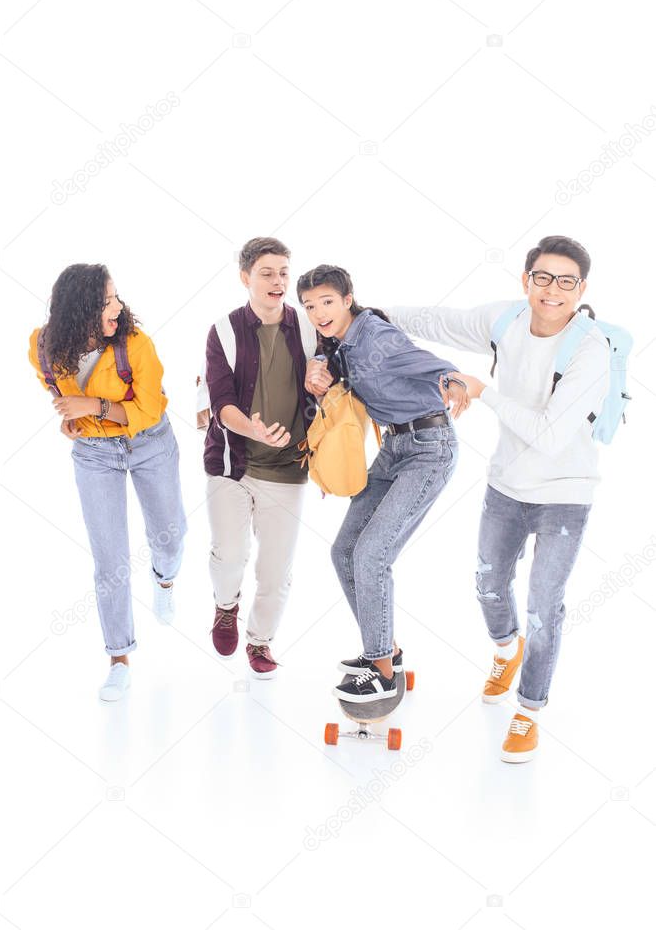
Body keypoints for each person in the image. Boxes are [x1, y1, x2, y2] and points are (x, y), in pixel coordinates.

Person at [386, 235, 611, 762]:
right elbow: (441, 321)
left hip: (565, 494)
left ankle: (528, 711)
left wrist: (482, 391)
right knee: (488, 584)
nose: (552, 290)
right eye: (542, 277)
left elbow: (550, 435)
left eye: (566, 281)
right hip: (506, 484)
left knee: (542, 608)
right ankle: (506, 654)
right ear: (526, 279)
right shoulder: (507, 320)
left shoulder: (590, 349)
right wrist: (370, 313)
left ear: (581, 289)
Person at [298, 265, 468, 706]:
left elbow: (432, 365)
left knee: (372, 553)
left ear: (348, 298)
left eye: (327, 302)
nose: (319, 313)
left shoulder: (375, 337)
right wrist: (319, 367)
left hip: (429, 448)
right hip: (394, 448)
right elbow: (329, 360)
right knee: (343, 552)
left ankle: (380, 670)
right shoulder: (339, 341)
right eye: (310, 306)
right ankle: (386, 651)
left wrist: (452, 379)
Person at [29, 264, 186, 702]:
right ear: (78, 312)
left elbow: (148, 410)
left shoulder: (135, 344)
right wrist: (73, 420)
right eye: (105, 302)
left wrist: (92, 405)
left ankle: (165, 579)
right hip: (95, 454)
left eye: (116, 297)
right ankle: (118, 659)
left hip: (148, 442)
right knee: (109, 560)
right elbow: (57, 390)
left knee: (169, 537)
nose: (117, 307)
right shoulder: (43, 345)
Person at [204, 237, 317, 678]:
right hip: (233, 463)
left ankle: (261, 640)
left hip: (288, 469)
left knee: (275, 570)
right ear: (245, 277)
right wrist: (251, 428)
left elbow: (329, 382)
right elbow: (222, 402)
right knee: (230, 554)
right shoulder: (225, 331)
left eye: (284, 272)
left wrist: (321, 377)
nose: (278, 281)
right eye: (267, 273)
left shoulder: (308, 327)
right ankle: (225, 605)